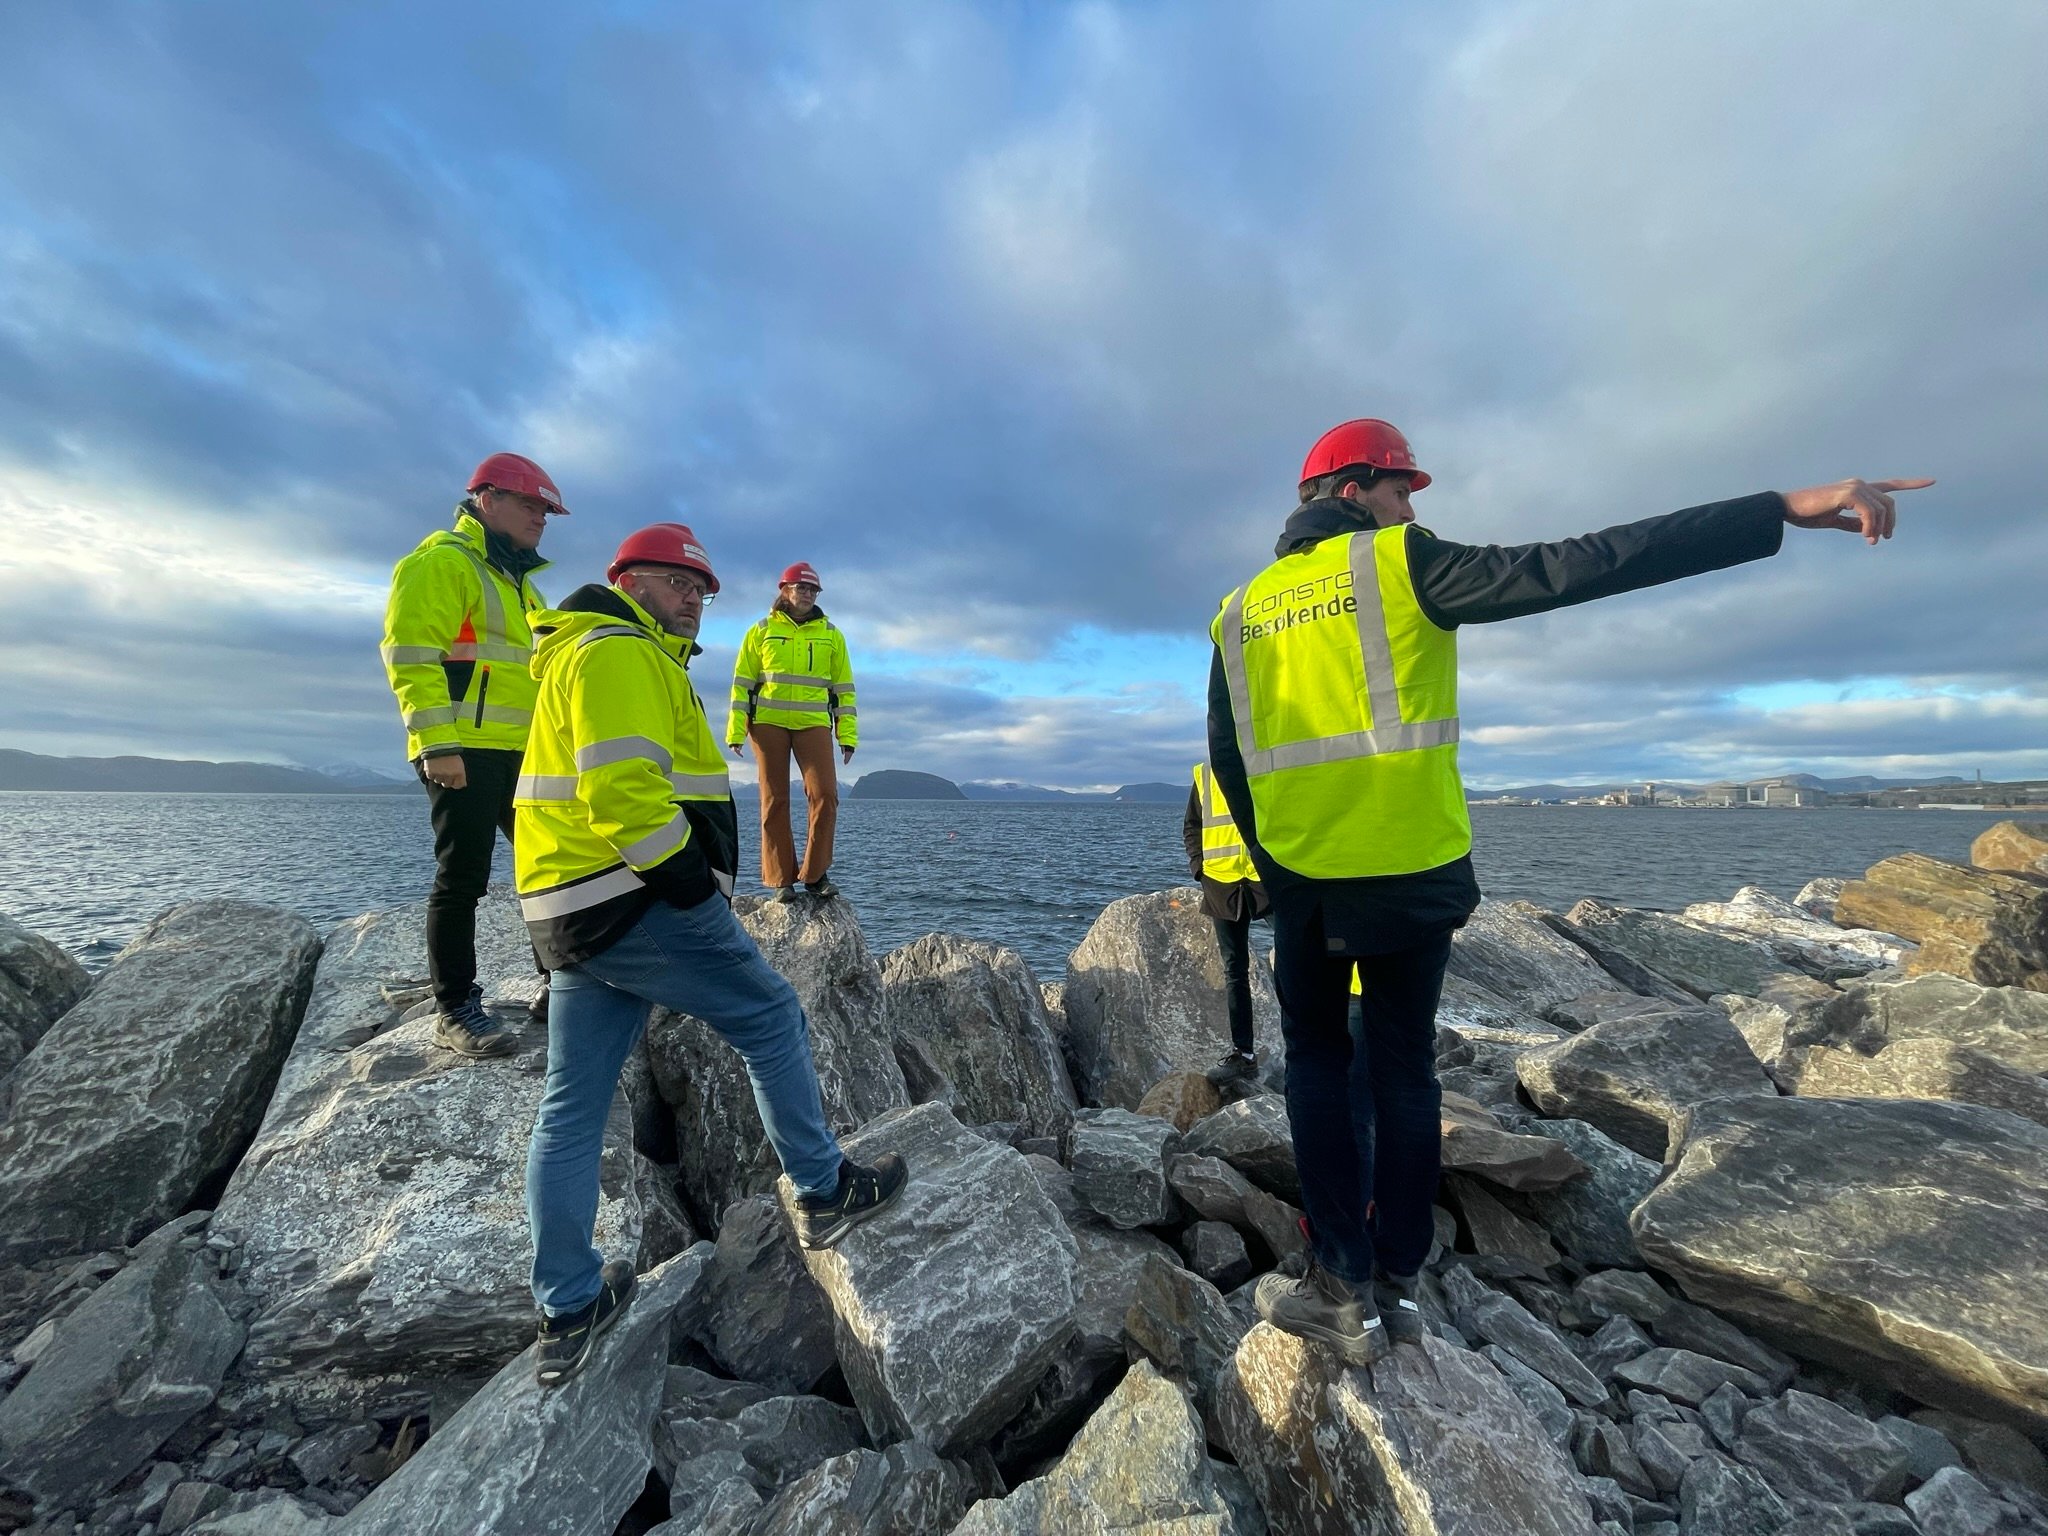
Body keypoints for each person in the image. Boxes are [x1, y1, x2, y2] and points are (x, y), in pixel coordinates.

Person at [1207, 417, 1930, 1367]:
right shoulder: (1397, 566)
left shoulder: (1238, 611)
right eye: (1400, 488)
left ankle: (1341, 1286)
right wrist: (1776, 511)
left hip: (1307, 888)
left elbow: (1229, 757)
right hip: (1416, 875)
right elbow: (1585, 562)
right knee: (1402, 1070)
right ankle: (1400, 1282)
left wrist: (1285, 867)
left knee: (1315, 1068)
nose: (1412, 505)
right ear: (1353, 491)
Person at [516, 524, 906, 1386]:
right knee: (771, 1015)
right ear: (628, 581)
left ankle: (568, 1306)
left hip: (572, 906)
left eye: (702, 587)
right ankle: (821, 1189)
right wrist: (691, 885)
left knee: (574, 1101)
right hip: (633, 896)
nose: (693, 597)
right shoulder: (618, 651)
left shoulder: (598, 651)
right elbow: (621, 789)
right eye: (675, 581)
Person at [381, 452, 565, 1058]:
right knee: (463, 879)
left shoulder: (519, 581)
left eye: (546, 510)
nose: (542, 518)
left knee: (553, 867)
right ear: (488, 500)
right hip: (462, 750)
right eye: (532, 505)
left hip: (521, 750)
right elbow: (410, 657)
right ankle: (455, 1007)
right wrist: (438, 745)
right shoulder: (442, 563)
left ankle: (560, 987)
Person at [725, 562, 858, 901]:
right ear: (785, 590)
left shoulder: (831, 634)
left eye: (813, 590)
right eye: (802, 588)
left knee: (825, 794)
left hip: (813, 724)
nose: (808, 594)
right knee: (774, 799)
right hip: (767, 724)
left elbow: (843, 689)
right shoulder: (761, 630)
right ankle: (781, 879)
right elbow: (742, 684)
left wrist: (847, 736)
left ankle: (815, 875)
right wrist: (736, 730)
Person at [1183, 760, 1271, 1084]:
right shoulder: (1204, 773)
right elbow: (1192, 826)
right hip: (1222, 884)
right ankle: (1243, 1055)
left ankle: (1312, 1047)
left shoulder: (1268, 758)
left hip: (1268, 881)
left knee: (1300, 961)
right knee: (1235, 971)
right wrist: (1199, 870)